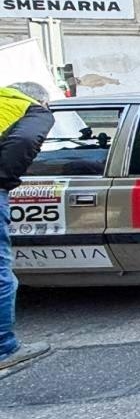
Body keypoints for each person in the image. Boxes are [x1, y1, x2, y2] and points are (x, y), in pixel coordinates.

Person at [0, 82, 54, 372]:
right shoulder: (32, 109)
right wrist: (4, 180)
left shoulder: (4, 103)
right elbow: (24, 141)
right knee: (0, 274)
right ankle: (3, 349)